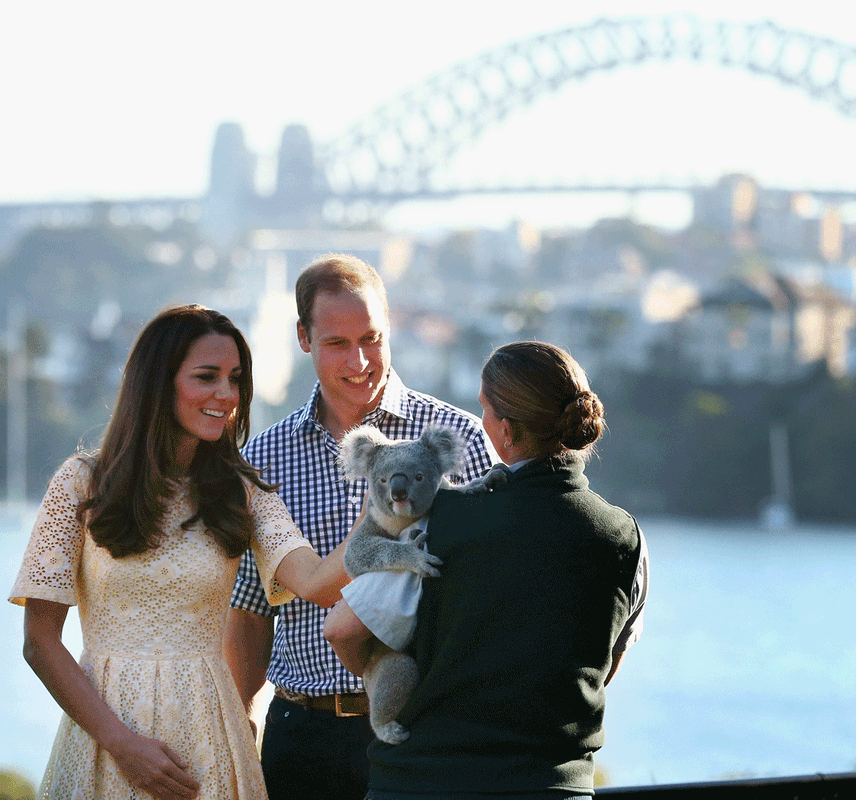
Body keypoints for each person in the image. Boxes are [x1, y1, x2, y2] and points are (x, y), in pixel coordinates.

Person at [9, 305, 424, 800]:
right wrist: (121, 743)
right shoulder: (80, 484)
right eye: (206, 377)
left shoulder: (242, 491)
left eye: (234, 379)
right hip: (106, 737)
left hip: (211, 738)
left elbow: (316, 583)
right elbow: (40, 641)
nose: (226, 395)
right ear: (158, 382)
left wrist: (381, 503)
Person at [324, 340, 649, 800]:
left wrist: (394, 687)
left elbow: (341, 630)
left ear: (508, 432)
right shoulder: (625, 539)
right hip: (551, 787)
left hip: (426, 784)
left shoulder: (444, 521)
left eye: (484, 410)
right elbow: (606, 664)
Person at [224, 254, 492, 800]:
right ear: (303, 337)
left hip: (426, 727)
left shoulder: (456, 441)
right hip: (304, 736)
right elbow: (251, 610)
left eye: (371, 337)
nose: (360, 360)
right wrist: (241, 727)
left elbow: (498, 586)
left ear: (389, 326)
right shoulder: (263, 460)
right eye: (337, 343)